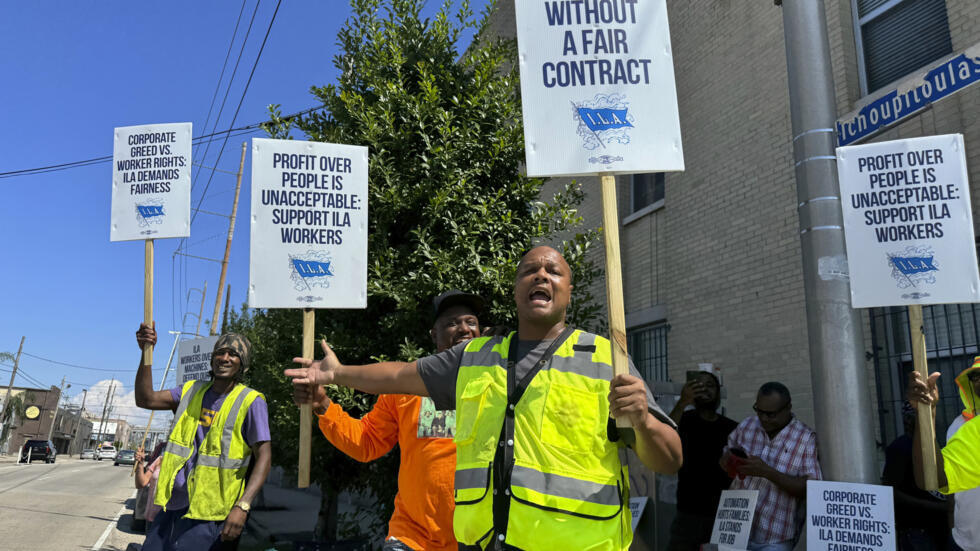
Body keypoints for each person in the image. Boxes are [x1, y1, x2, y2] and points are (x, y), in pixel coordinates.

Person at [287, 246, 682, 551]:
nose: (540, 275)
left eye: (553, 271)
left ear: (569, 290)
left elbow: (669, 459)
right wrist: (331, 385)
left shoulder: (605, 361)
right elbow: (391, 384)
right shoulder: (462, 367)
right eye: (529, 270)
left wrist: (644, 420)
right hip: (436, 539)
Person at [294, 290, 485, 551]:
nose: (463, 329)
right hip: (412, 538)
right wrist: (322, 406)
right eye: (452, 323)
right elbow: (366, 442)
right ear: (434, 335)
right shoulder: (406, 384)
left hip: (478, 538)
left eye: (470, 322)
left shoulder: (502, 383)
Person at [135, 324, 272, 551]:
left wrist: (243, 506)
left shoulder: (251, 401)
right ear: (212, 359)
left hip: (211, 516)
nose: (225, 358)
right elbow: (145, 399)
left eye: (233, 354)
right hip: (172, 507)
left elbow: (264, 457)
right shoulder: (190, 391)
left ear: (243, 364)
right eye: (220, 352)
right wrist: (145, 352)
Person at [721, 382, 821, 551]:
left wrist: (767, 472)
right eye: (759, 411)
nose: (764, 419)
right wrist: (727, 461)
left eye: (771, 414)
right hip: (735, 526)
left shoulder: (805, 438)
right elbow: (727, 452)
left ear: (788, 407)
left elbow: (811, 488)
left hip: (775, 537)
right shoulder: (747, 425)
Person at [667, 371, 737, 551]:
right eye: (700, 385)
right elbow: (665, 437)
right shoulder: (684, 421)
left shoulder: (733, 428)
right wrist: (683, 402)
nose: (705, 389)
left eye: (710, 385)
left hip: (722, 515)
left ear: (718, 393)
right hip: (687, 515)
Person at [880, 402, 947, 550]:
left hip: (940, 529)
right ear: (910, 420)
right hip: (917, 531)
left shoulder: (935, 443)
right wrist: (934, 507)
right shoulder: (901, 447)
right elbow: (891, 492)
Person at [908, 368, 980, 497]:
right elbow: (932, 478)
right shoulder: (972, 428)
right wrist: (926, 414)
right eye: (975, 377)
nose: (978, 380)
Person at [134, 442, 167, 532]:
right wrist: (140, 464)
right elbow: (141, 483)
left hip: (171, 519)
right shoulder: (160, 460)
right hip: (152, 519)